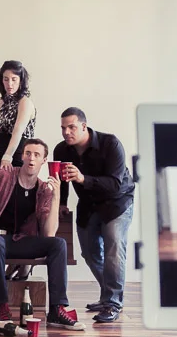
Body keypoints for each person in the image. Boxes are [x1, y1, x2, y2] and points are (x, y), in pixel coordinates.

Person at [0, 141, 85, 331]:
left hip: (18, 241)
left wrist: (56, 195)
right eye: (28, 153)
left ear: (44, 160)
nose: (31, 158)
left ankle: (57, 310)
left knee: (58, 244)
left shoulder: (43, 190)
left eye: (36, 155)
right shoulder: (2, 175)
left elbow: (49, 234)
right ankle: (2, 310)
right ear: (22, 156)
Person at [53, 107, 134, 324]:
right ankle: (109, 294)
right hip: (88, 204)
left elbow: (116, 185)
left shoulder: (111, 144)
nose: (66, 132)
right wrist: (61, 203)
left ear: (83, 126)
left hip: (117, 203)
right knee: (89, 253)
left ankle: (113, 302)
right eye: (63, 128)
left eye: (71, 127)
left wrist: (83, 179)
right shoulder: (61, 150)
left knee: (114, 249)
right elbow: (62, 179)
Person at [0, 60, 37, 171]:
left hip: (17, 151)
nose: (9, 84)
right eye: (6, 79)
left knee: (13, 186)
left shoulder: (25, 102)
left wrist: (7, 156)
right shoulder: (1, 102)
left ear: (21, 81)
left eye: (14, 79)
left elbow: (18, 131)